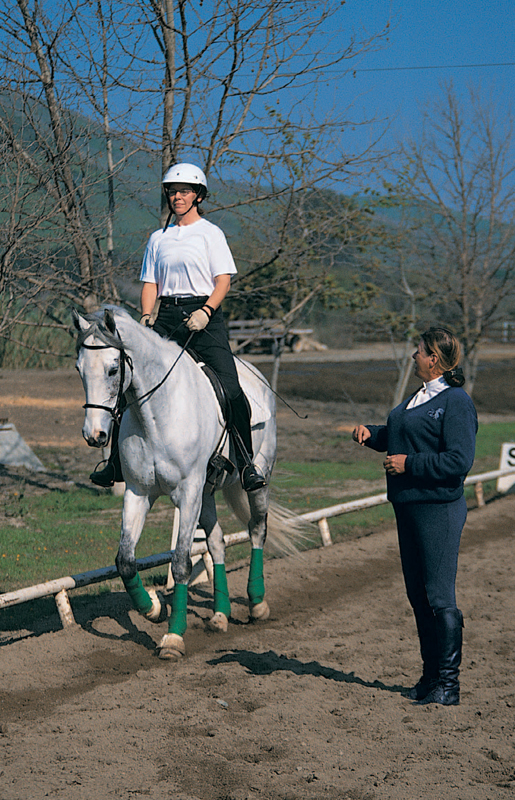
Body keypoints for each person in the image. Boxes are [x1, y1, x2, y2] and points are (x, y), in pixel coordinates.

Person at [90, 162, 266, 493]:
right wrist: (145, 316)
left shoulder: (211, 233)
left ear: (198, 196)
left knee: (230, 389)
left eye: (184, 191)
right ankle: (114, 464)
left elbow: (223, 280)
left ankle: (246, 465)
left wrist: (206, 310)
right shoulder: (158, 238)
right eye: (172, 192)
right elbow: (150, 283)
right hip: (167, 316)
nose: (177, 197)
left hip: (205, 316)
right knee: (130, 385)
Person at [352, 327, 478, 705]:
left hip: (438, 509)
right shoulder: (420, 397)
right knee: (418, 595)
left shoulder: (455, 402)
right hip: (407, 508)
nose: (413, 356)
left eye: (418, 351)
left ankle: (449, 685)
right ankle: (429, 678)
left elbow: (459, 460)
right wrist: (373, 435)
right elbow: (402, 435)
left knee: (439, 597)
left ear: (433, 359)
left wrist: (411, 464)